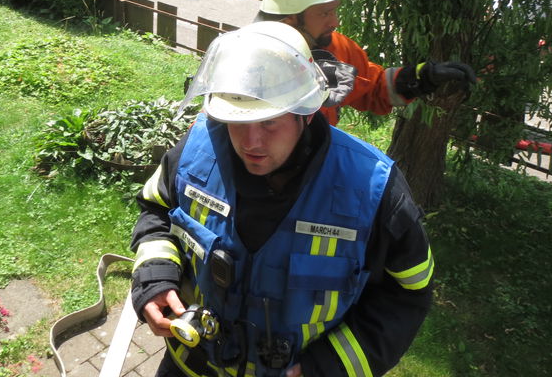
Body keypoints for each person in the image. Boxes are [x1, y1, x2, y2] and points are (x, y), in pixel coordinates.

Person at [130, 21, 434, 377]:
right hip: (189, 366)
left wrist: (327, 366)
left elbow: (407, 292)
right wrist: (155, 277)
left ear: (307, 111)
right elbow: (157, 211)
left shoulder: (372, 190)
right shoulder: (195, 154)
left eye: (269, 122)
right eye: (237, 120)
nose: (251, 142)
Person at [256, 0, 476, 126]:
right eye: (325, 13)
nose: (335, 22)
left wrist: (420, 77)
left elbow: (373, 86)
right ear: (291, 17)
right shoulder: (252, 64)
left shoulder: (336, 49)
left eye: (334, 10)